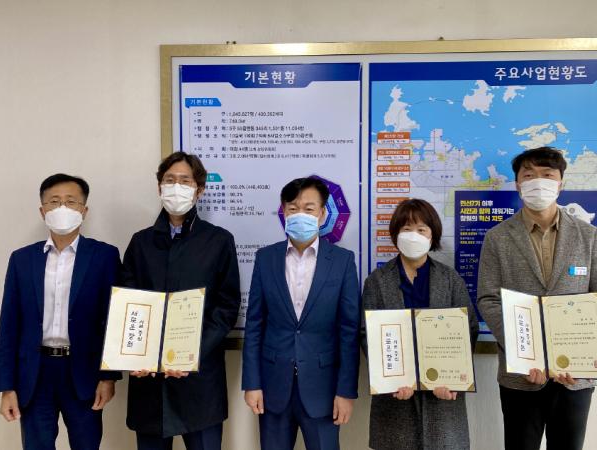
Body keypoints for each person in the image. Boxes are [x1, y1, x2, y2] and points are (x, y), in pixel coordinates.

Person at [477, 146, 596, 450]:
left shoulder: (589, 236)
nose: (538, 182)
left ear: (560, 183)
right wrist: (524, 352)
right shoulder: (497, 238)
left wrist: (586, 353)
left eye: (547, 175)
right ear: (518, 184)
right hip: (520, 375)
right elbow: (488, 299)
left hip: (574, 376)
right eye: (529, 175)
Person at [120, 152, 240, 450]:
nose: (176, 187)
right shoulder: (141, 242)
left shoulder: (219, 240)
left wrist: (191, 353)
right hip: (149, 381)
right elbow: (127, 304)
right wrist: (136, 355)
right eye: (169, 180)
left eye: (185, 181)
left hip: (199, 381)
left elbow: (226, 307)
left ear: (200, 189)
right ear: (159, 187)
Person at [0, 174, 121, 450]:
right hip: (34, 374)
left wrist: (108, 376)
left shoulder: (105, 256)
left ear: (84, 210)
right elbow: (9, 325)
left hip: (84, 373)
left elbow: (112, 320)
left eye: (71, 202)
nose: (62, 208)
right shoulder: (21, 259)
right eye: (54, 202)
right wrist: (6, 386)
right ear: (43, 211)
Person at [242, 177, 360, 450]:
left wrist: (346, 391)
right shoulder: (266, 258)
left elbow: (349, 331)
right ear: (283, 212)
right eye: (293, 208)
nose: (300, 215)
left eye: (309, 209)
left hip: (323, 389)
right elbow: (255, 324)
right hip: (272, 387)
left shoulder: (342, 261)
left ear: (322, 214)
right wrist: (252, 384)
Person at [363, 198, 478, 450]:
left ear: (432, 235)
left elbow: (468, 328)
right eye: (406, 229)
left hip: (443, 401)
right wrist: (388, 379)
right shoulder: (377, 281)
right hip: (395, 403)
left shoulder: (450, 279)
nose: (413, 236)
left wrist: (454, 377)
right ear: (395, 234)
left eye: (421, 229)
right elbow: (366, 334)